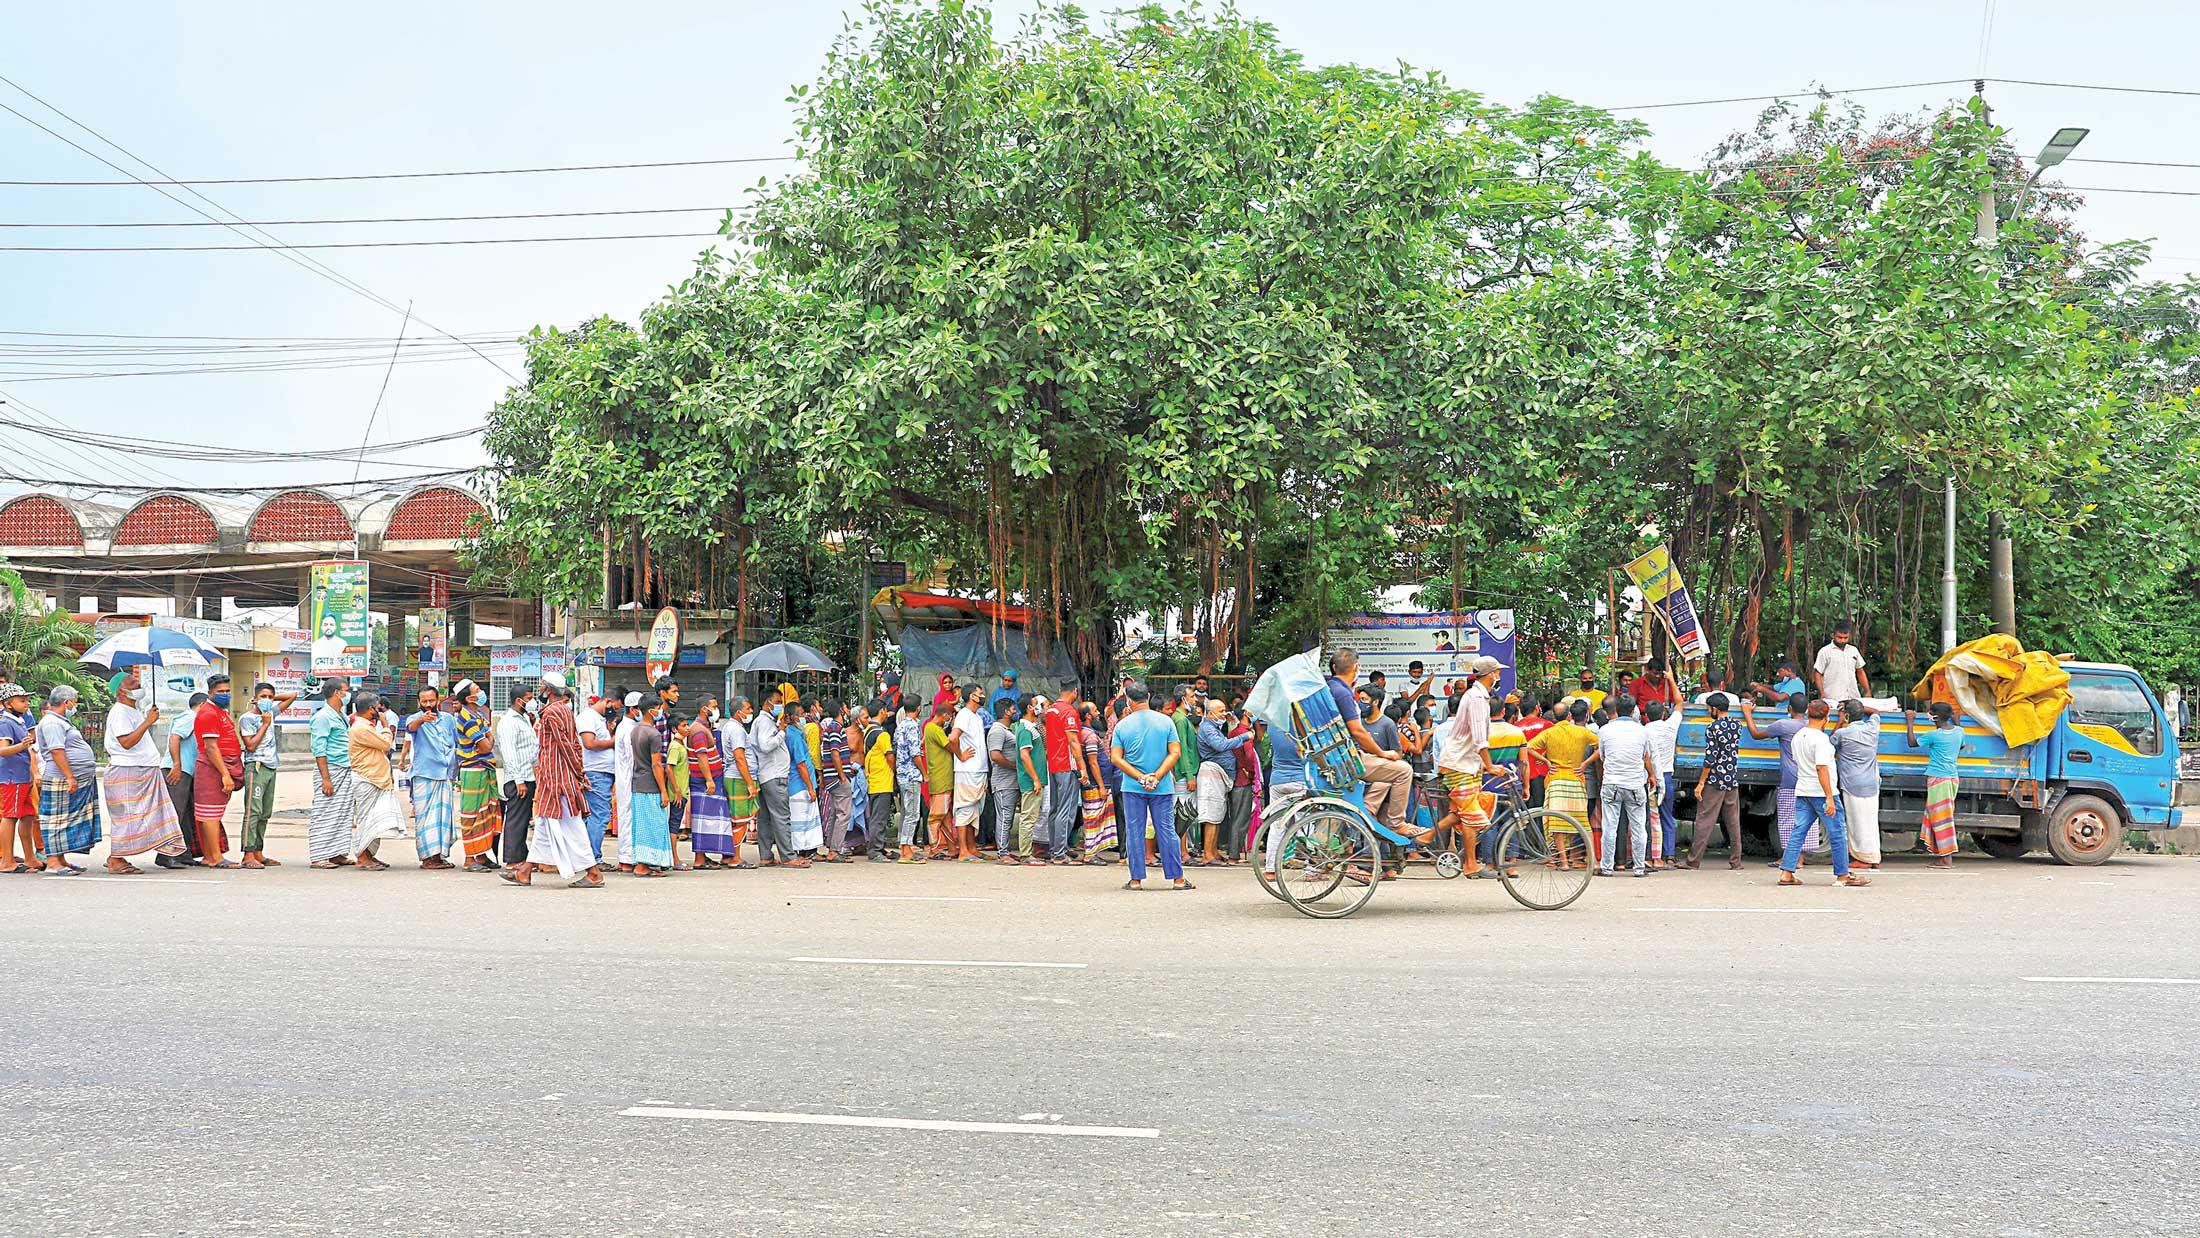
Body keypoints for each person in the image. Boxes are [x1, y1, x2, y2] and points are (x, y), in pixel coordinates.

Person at [503, 673, 604, 889]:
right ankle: (525, 871)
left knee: (569, 825)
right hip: (556, 777)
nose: (539, 691)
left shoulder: (551, 713)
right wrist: (578, 770)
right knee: (544, 825)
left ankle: (593, 872)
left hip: (557, 779)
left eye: (541, 687)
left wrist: (578, 771)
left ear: (548, 690)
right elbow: (574, 744)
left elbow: (566, 746)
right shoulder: (565, 710)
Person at [1109, 684, 1193, 892]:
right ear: (1148, 696)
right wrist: (1158, 775)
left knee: (1135, 830)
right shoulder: (1165, 722)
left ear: (1128, 700)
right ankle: (1178, 879)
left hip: (1132, 785)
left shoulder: (1122, 725)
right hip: (1162, 786)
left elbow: (1116, 758)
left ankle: (1136, 880)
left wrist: (1140, 777)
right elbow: (1175, 753)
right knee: (1166, 830)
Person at [101, 667, 185, 873]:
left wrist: (147, 719)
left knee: (147, 814)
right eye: (132, 683)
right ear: (120, 691)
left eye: (137, 683)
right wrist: (148, 722)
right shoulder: (119, 711)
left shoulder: (133, 710)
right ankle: (116, 858)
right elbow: (126, 742)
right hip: (127, 771)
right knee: (128, 816)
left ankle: (120, 854)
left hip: (141, 770)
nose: (138, 686)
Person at [1781, 700, 1869, 887]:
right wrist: (1829, 797)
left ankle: (1787, 872)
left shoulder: (1799, 737)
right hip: (1822, 792)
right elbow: (1822, 768)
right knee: (1837, 833)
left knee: (1798, 832)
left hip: (1803, 790)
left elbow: (1799, 762)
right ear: (1826, 718)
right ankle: (1843, 875)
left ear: (1808, 714)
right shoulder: (1821, 740)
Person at [1327, 648, 1414, 835]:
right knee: (1404, 771)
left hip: (1333, 755)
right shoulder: (1343, 693)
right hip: (1348, 758)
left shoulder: (1329, 689)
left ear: (1334, 667)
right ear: (1356, 668)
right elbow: (1358, 731)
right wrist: (1381, 753)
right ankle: (1397, 823)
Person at [1434, 656, 1502, 875]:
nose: (1498, 675)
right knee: (1471, 816)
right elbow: (1480, 739)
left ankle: (1426, 835)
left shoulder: (1478, 696)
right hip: (1459, 764)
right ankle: (1471, 864)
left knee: (1465, 812)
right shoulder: (1476, 698)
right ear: (1491, 674)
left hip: (1467, 764)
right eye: (1497, 672)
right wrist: (1491, 767)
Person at [33, 686, 100, 875]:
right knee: (56, 820)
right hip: (60, 778)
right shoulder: (52, 722)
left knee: (65, 819)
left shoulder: (61, 721)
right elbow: (56, 750)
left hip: (72, 776)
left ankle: (60, 859)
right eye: (75, 701)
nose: (75, 705)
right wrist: (69, 776)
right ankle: (53, 862)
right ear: (66, 702)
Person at [1523, 699, 1598, 868]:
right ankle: (1592, 862)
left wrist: (1547, 761)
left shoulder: (1550, 733)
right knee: (1581, 823)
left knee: (1557, 824)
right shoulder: (1581, 732)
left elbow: (1528, 747)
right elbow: (1601, 746)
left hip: (1556, 780)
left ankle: (1563, 861)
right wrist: (1585, 764)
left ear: (1555, 718)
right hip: (1576, 780)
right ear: (1570, 715)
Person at [1742, 693, 1812, 867]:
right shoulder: (1811, 726)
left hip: (1790, 779)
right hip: (1809, 778)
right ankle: (1800, 860)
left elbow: (1756, 734)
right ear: (1807, 710)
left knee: (1788, 818)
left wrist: (1747, 713)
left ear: (1789, 709)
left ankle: (1787, 859)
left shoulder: (1783, 725)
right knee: (1806, 818)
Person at [232, 680, 295, 869]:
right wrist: (265, 724)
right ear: (255, 699)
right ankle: (248, 853)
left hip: (271, 766)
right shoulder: (247, 719)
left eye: (269, 697)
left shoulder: (271, 713)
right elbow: (250, 745)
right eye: (263, 697)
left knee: (265, 812)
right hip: (256, 766)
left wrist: (270, 700)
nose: (267, 700)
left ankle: (258, 851)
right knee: (253, 811)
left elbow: (292, 696)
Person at [1594, 695, 1658, 878]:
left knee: (1610, 826)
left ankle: (1607, 867)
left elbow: (1603, 757)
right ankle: (1639, 868)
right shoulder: (1642, 731)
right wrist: (1652, 775)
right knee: (1639, 827)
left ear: (1615, 710)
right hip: (1635, 783)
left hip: (1612, 783)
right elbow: (1645, 756)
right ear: (1633, 710)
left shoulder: (1604, 731)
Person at [343, 691, 405, 871]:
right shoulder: (361, 728)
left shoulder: (366, 726)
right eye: (378, 708)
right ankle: (362, 856)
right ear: (371, 709)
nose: (381, 712)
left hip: (375, 779)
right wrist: (385, 726)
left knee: (374, 821)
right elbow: (386, 745)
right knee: (365, 820)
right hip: (367, 779)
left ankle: (369, 855)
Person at [1686, 693, 1746, 869]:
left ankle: (1693, 861)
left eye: (1708, 708)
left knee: (1704, 819)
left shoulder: (1713, 728)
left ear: (1715, 709)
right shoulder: (1737, 725)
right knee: (1733, 821)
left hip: (1715, 780)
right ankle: (1736, 861)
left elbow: (1710, 759)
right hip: (1731, 778)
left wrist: (1701, 783)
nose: (1707, 711)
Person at [191, 674, 244, 869]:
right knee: (210, 815)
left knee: (211, 813)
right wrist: (225, 774)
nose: (225, 695)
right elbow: (211, 747)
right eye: (220, 692)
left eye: (227, 691)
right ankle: (215, 857)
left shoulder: (220, 711)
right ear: (210, 693)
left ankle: (210, 855)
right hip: (212, 767)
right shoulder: (209, 712)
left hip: (221, 763)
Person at [446, 679, 499, 872]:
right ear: (469, 698)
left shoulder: (477, 714)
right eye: (478, 690)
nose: (482, 692)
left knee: (485, 812)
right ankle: (470, 858)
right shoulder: (468, 718)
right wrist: (489, 738)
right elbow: (485, 745)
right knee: (473, 814)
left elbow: (487, 740)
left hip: (483, 768)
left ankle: (482, 854)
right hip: (474, 769)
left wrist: (488, 738)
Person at [1194, 698, 1251, 866]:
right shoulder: (1208, 728)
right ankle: (1207, 855)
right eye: (1220, 711)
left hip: (1219, 775)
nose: (1224, 714)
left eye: (1225, 710)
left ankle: (1213, 851)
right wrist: (1244, 737)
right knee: (1211, 815)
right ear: (1210, 713)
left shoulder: (1214, 727)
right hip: (1212, 773)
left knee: (1217, 813)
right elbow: (1220, 745)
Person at [1905, 703, 1962, 869]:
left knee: (1941, 819)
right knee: (1941, 816)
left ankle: (1947, 859)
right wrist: (1957, 721)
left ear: (1935, 717)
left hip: (1938, 780)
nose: (1928, 715)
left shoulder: (1934, 735)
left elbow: (1912, 743)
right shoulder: (1959, 731)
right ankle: (1942, 855)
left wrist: (1910, 721)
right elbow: (1962, 744)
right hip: (1952, 779)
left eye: (1930, 713)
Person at [307, 680, 356, 869]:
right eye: (346, 691)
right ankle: (319, 856)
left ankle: (337, 853)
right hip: (331, 769)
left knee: (343, 813)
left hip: (345, 768)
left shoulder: (341, 715)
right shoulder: (322, 717)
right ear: (337, 693)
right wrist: (325, 779)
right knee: (325, 812)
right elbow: (319, 749)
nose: (348, 693)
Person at [625, 694, 675, 878]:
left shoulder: (635, 730)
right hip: (651, 784)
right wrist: (664, 791)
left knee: (642, 825)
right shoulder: (653, 734)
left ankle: (642, 862)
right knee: (655, 824)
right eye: (659, 707)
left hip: (638, 783)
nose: (661, 711)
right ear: (652, 709)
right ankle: (646, 864)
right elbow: (656, 764)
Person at [1831, 699, 1883, 869]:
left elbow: (1830, 744)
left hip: (1852, 783)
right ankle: (1874, 856)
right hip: (1872, 782)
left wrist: (1840, 720)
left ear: (1846, 716)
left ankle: (1863, 858)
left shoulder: (1843, 733)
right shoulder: (1872, 728)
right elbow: (1875, 711)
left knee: (1857, 822)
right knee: (1871, 820)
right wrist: (1857, 707)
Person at [495, 684, 539, 870]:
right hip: (517, 778)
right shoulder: (508, 722)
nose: (532, 702)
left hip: (528, 775)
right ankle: (513, 858)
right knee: (515, 819)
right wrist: (518, 780)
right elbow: (509, 753)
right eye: (528, 698)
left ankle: (521, 855)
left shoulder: (525, 719)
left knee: (523, 819)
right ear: (518, 700)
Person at [687, 702, 734, 868]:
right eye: (713, 706)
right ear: (703, 709)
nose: (716, 709)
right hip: (705, 782)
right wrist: (709, 779)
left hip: (710, 779)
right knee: (703, 820)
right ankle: (700, 859)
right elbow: (701, 756)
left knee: (710, 819)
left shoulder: (705, 727)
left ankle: (704, 857)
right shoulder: (698, 730)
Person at [573, 691, 617, 865]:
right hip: (595, 773)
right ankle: (593, 859)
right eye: (615, 706)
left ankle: (589, 857)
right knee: (599, 816)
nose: (614, 711)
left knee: (595, 816)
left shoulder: (598, 719)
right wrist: (613, 741)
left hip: (601, 773)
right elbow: (589, 744)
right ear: (608, 701)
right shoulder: (588, 717)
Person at [0, 684, 39, 874]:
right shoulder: (6, 723)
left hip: (22, 776)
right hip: (12, 777)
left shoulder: (19, 721)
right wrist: (21, 745)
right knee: (10, 816)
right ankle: (7, 860)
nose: (27, 703)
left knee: (27, 815)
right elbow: (2, 750)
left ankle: (30, 857)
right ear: (8, 704)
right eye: (22, 700)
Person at [1042, 684, 1082, 864]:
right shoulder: (1069, 712)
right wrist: (1082, 768)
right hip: (1067, 763)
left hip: (1053, 763)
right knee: (1066, 809)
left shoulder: (1050, 710)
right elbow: (1073, 740)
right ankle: (1059, 853)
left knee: (1055, 808)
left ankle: (1056, 848)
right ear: (1074, 691)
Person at [948, 684, 988, 862]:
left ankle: (972, 847)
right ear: (972, 696)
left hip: (978, 769)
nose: (983, 695)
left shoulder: (976, 716)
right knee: (965, 809)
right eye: (980, 693)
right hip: (967, 770)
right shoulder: (964, 715)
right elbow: (952, 737)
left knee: (974, 809)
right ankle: (963, 850)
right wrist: (960, 755)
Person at [166, 691, 205, 862]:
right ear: (202, 705)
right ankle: (166, 854)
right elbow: (175, 738)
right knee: (175, 813)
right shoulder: (191, 717)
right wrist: (176, 764)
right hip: (178, 770)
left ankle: (184, 853)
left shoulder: (193, 718)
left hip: (187, 770)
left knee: (187, 814)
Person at [1008, 695, 1047, 866]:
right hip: (1031, 780)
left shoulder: (1031, 727)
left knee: (1031, 816)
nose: (1039, 706)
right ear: (1029, 708)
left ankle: (1027, 852)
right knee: (1028, 817)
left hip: (1034, 779)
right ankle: (1026, 854)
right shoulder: (1025, 729)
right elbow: (1025, 755)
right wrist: (1036, 779)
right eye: (1035, 704)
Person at [1643, 699, 1682, 868]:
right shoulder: (1671, 726)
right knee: (1667, 816)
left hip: (1649, 777)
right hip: (1666, 776)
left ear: (1646, 717)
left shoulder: (1643, 731)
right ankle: (1670, 854)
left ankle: (1651, 854)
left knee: (1649, 818)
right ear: (1664, 714)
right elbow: (1680, 704)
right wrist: (1671, 678)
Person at [986, 700, 1023, 865]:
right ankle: (1002, 853)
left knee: (1007, 818)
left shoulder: (1007, 730)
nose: (1016, 712)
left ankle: (1005, 850)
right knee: (1004, 817)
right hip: (1003, 782)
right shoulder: (997, 730)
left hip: (1011, 782)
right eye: (1014, 709)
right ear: (1007, 712)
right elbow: (995, 755)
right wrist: (1015, 766)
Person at [784, 701, 821, 866]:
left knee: (805, 819)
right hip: (800, 784)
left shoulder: (792, 733)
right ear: (791, 717)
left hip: (800, 783)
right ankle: (799, 852)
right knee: (801, 820)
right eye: (799, 714)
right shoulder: (794, 735)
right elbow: (800, 763)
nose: (803, 717)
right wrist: (810, 788)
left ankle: (807, 851)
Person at [861, 700, 897, 863]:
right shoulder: (882, 734)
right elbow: (889, 756)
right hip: (882, 779)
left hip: (873, 778)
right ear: (882, 711)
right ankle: (875, 850)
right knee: (879, 817)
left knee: (877, 815)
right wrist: (896, 771)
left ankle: (878, 847)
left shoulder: (868, 730)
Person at [1812, 620, 1871, 707]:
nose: (1842, 640)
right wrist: (1822, 693)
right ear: (1833, 635)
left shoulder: (1853, 650)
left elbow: (1860, 672)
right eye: (1839, 637)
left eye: (1845, 638)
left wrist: (1867, 691)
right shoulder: (1825, 652)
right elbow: (1817, 674)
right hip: (1833, 698)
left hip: (1853, 697)